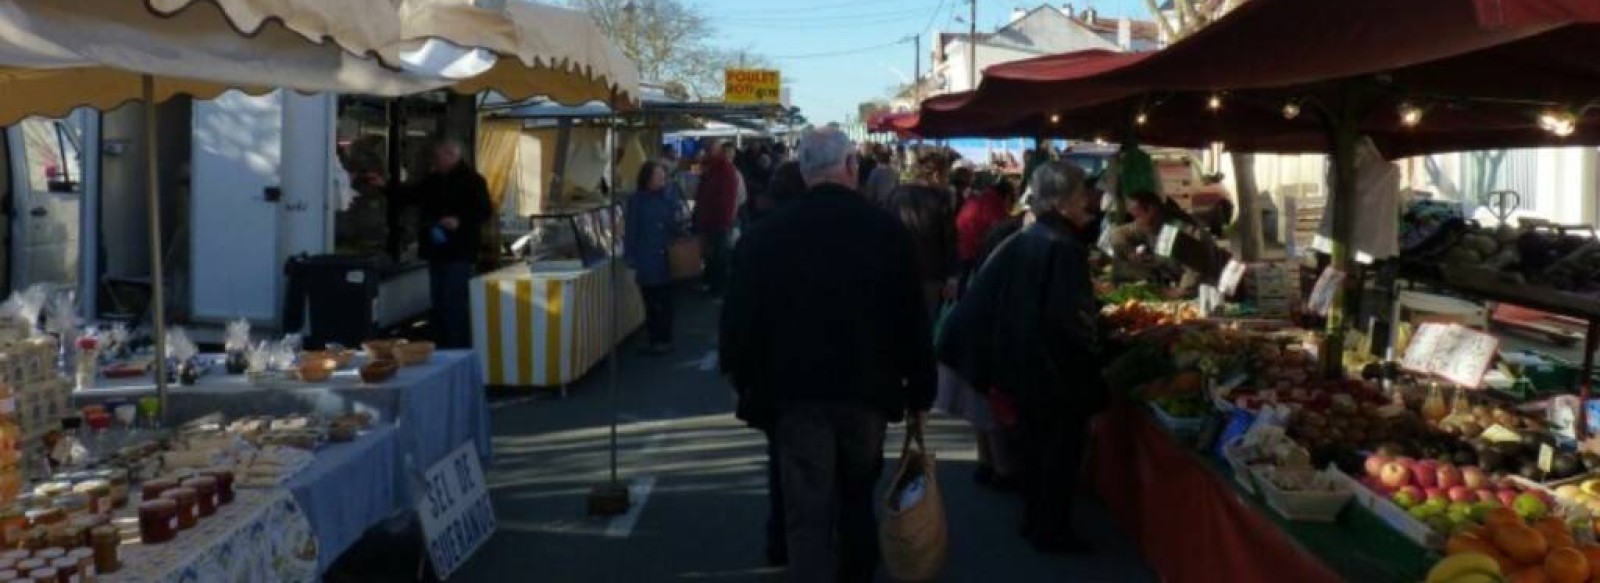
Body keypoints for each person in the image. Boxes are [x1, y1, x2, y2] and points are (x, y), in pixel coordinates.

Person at [721, 127, 936, 583]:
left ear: (803, 171)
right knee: (857, 498)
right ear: (851, 167)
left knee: (807, 511)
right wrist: (920, 387)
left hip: (795, 392)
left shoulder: (766, 235)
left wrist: (744, 379)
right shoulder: (886, 232)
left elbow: (738, 320)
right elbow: (912, 318)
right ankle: (856, 572)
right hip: (866, 390)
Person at [938, 161, 1105, 554]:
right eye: (1084, 193)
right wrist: (1097, 361)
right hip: (1052, 370)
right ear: (1063, 201)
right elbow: (1072, 321)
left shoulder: (1034, 235)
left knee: (1036, 451)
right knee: (1058, 455)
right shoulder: (1062, 246)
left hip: (1026, 364)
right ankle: (1052, 531)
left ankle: (1035, 521)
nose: (1091, 202)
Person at [414, 137, 492, 349]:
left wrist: (459, 221)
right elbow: (411, 195)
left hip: (460, 252)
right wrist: (384, 186)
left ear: (451, 155)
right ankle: (443, 347)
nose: (434, 162)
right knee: (439, 302)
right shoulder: (432, 180)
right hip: (436, 250)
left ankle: (457, 349)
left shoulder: (474, 181)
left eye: (438, 157)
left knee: (453, 303)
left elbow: (484, 212)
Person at [1108, 190, 1220, 299]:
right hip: (1174, 284)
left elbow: (1195, 272)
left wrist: (1173, 293)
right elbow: (1117, 234)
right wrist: (1130, 252)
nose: (1136, 222)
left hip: (1207, 292)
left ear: (1150, 211)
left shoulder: (1185, 231)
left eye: (1137, 216)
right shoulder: (1149, 226)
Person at [624, 161, 685, 355]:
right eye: (658, 177)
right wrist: (630, 255)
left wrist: (677, 219)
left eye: (663, 177)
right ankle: (655, 339)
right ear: (647, 179)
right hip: (647, 256)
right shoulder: (637, 201)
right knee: (651, 300)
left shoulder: (669, 197)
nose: (662, 181)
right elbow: (631, 230)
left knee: (666, 300)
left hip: (667, 255)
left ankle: (665, 338)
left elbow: (677, 223)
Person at [889, 183, 959, 320]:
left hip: (898, 270)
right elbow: (950, 240)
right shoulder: (940, 199)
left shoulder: (895, 195)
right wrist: (952, 278)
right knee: (926, 322)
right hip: (931, 276)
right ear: (936, 175)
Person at [694, 142, 740, 296]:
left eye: (707, 150)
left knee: (718, 254)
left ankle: (717, 287)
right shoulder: (713, 168)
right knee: (713, 254)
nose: (704, 153)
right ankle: (713, 284)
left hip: (718, 221)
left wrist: (724, 219)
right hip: (713, 220)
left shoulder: (723, 169)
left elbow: (726, 198)